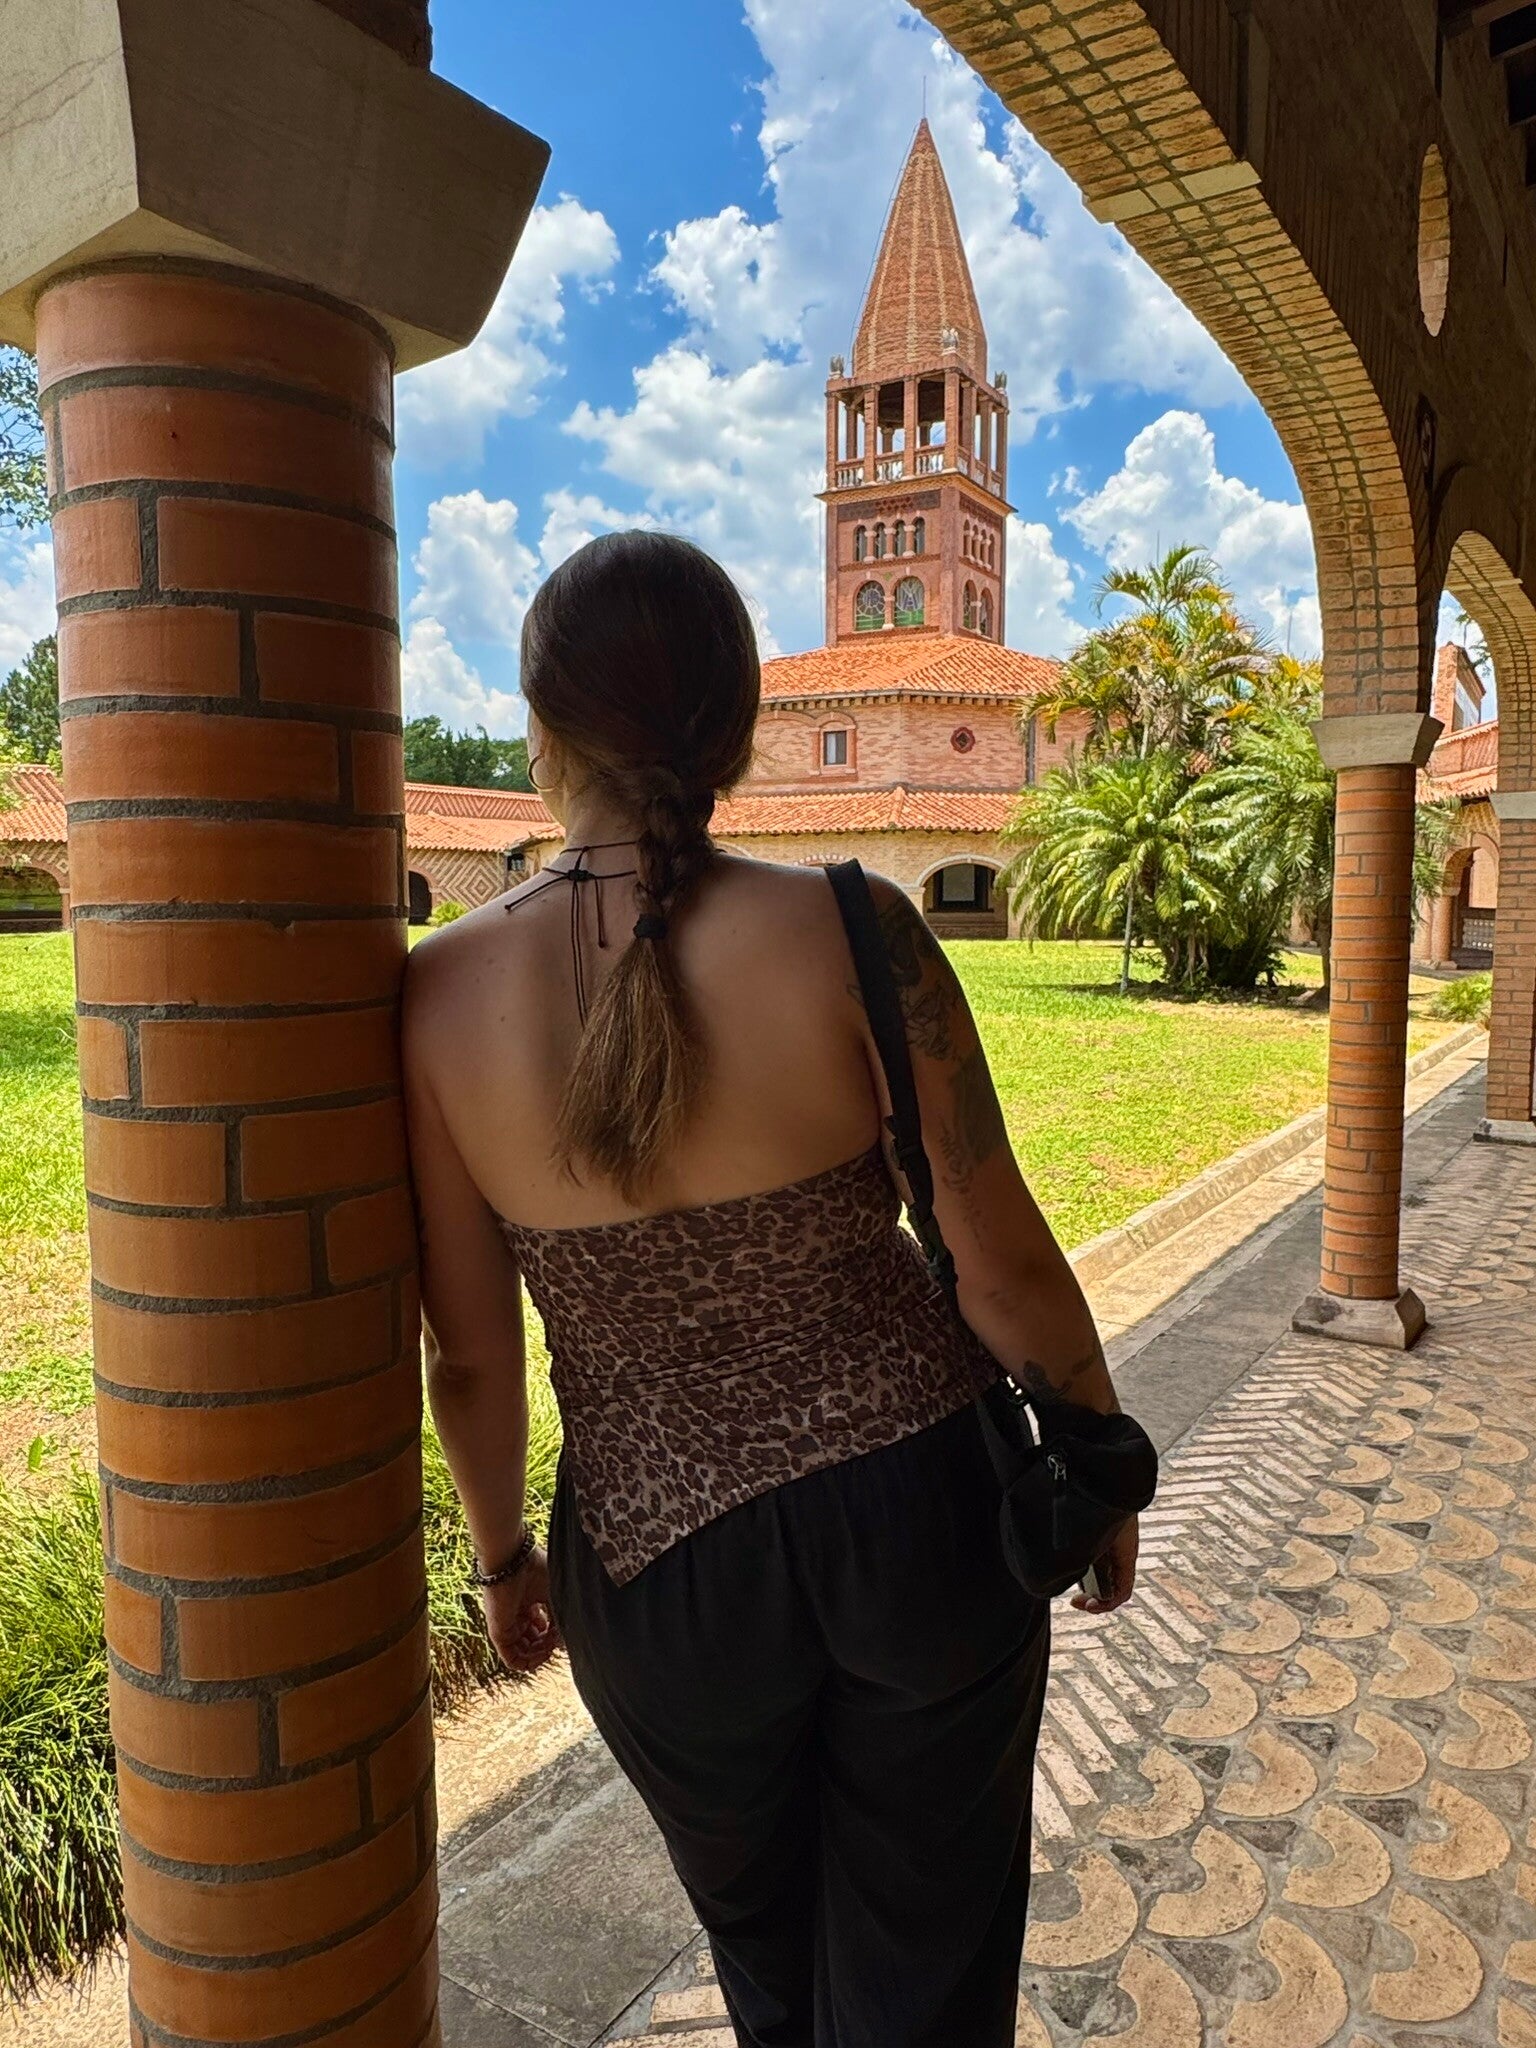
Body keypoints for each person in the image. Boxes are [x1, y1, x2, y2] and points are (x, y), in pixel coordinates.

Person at [402, 531, 1135, 2048]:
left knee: (764, 1955)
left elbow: (469, 1358)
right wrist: (1099, 1452)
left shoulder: (442, 995)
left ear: (540, 728)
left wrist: (503, 1558)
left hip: (661, 1576)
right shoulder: (855, 930)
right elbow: (996, 1254)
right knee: (929, 1960)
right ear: (741, 732)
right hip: (924, 1519)